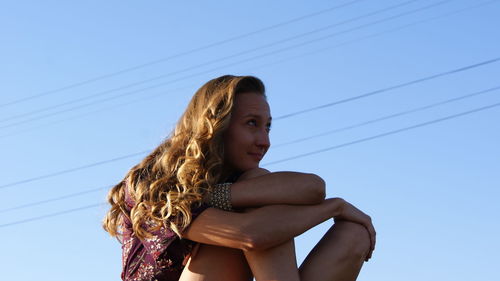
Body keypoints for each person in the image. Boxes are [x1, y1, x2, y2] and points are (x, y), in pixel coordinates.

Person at [103, 75, 376, 281]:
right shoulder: (154, 181)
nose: (264, 141)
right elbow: (250, 236)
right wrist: (334, 208)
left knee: (354, 232)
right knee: (233, 238)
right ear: (216, 126)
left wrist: (216, 196)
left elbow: (314, 188)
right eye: (252, 124)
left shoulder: (242, 179)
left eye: (268, 127)